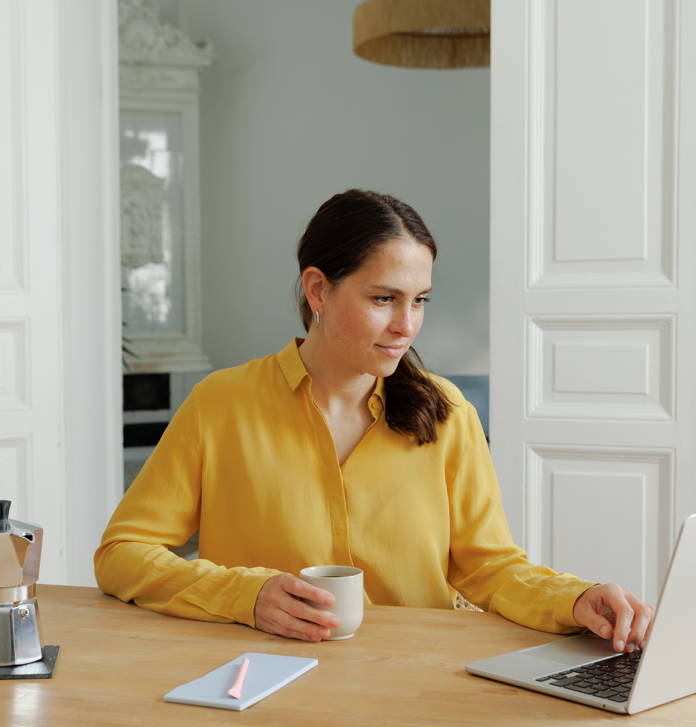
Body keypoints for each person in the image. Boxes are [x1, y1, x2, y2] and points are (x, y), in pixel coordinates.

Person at [95, 189, 653, 652]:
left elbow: (491, 568)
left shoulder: (447, 411)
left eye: (420, 300)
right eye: (384, 298)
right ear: (318, 289)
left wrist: (577, 599)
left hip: (421, 688)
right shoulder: (221, 404)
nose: (406, 325)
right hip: (263, 681)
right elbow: (122, 555)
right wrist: (244, 595)